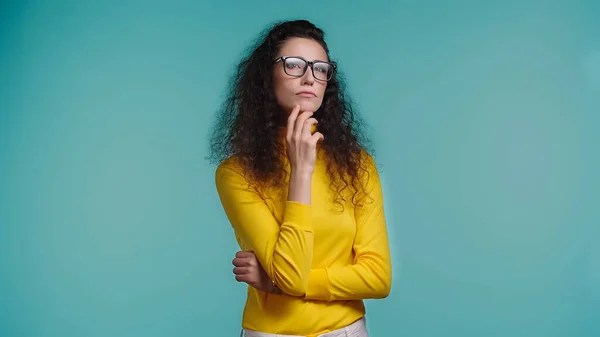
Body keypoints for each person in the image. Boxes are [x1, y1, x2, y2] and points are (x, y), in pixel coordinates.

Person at [210, 19, 392, 337]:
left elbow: (378, 278)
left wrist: (275, 285)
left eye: (320, 68)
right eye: (294, 65)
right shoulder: (235, 173)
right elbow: (291, 275)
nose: (309, 77)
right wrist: (301, 172)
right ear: (268, 76)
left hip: (346, 331)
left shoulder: (358, 164)